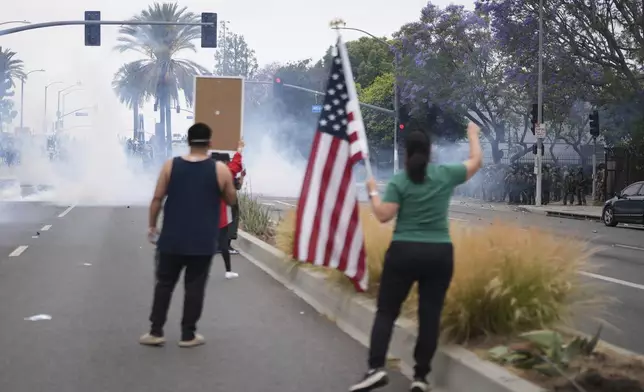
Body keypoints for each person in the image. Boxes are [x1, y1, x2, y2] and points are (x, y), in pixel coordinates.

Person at [349, 122, 483, 392]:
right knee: (429, 315)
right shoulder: (446, 174)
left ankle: (375, 368)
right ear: (430, 151)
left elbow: (384, 215)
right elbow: (476, 161)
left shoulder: (400, 180)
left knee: (387, 311)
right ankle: (421, 377)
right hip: (440, 254)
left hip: (403, 252)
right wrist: (472, 134)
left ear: (406, 152)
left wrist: (372, 191)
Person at [140, 122, 237, 348]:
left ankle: (156, 332)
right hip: (202, 241)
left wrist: (152, 226)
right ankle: (188, 335)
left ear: (188, 142)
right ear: (210, 143)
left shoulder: (170, 166)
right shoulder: (219, 170)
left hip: (171, 239)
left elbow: (157, 199)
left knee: (164, 284)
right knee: (195, 287)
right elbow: (231, 199)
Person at [213, 140, 244, 278]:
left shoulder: (205, 172)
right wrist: (239, 150)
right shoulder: (224, 173)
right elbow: (235, 166)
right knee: (224, 239)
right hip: (220, 211)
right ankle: (228, 271)